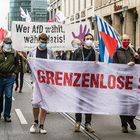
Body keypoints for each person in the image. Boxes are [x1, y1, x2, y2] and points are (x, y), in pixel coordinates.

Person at [113, 34, 139, 133]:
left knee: (135, 102)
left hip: (133, 81)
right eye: (125, 40)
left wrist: (137, 58)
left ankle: (131, 118)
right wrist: (126, 66)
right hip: (121, 82)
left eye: (128, 40)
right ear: (121, 41)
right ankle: (124, 125)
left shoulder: (132, 51)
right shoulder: (117, 52)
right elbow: (114, 66)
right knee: (123, 104)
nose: (126, 41)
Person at [29, 33, 54, 134]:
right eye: (41, 41)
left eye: (45, 42)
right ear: (38, 41)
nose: (43, 43)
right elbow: (29, 66)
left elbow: (53, 65)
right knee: (35, 103)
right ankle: (35, 123)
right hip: (36, 81)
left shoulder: (50, 52)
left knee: (44, 103)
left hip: (46, 81)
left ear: (47, 42)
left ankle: (42, 125)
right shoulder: (32, 52)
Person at [72, 33, 96, 133]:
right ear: (84, 40)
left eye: (91, 39)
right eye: (87, 39)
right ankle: (77, 122)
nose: (89, 40)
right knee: (79, 102)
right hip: (79, 81)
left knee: (89, 103)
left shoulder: (96, 52)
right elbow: (72, 65)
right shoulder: (78, 51)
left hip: (90, 81)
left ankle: (88, 123)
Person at [0, 37, 18, 122]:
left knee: (8, 96)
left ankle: (7, 115)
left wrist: (15, 73)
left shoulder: (14, 53)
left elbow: (17, 64)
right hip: (0, 76)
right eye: (7, 43)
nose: (8, 45)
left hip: (10, 77)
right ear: (3, 43)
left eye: (10, 43)